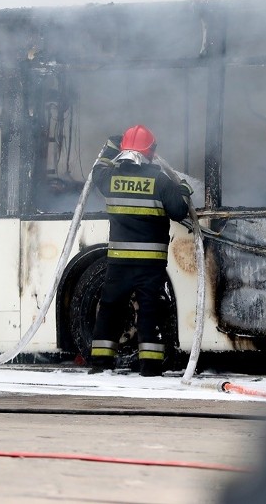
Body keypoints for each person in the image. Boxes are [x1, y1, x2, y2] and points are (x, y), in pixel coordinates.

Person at [89, 124, 192, 377]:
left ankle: (101, 363)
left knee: (110, 308)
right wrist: (184, 190)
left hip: (119, 261)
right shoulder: (160, 181)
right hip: (150, 263)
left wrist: (110, 147)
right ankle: (150, 366)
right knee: (149, 312)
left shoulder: (110, 178)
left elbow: (97, 171)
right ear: (151, 150)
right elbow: (179, 211)